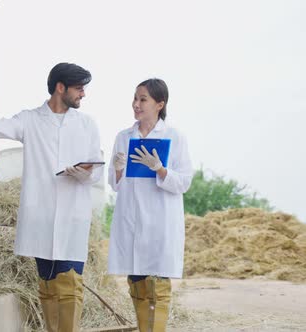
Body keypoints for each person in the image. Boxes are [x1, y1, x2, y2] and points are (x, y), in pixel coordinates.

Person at [0, 62, 102, 332]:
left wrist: (81, 173)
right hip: (41, 214)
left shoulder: (86, 124)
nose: (83, 94)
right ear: (60, 87)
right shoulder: (31, 119)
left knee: (71, 282)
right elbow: (9, 125)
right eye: (79, 88)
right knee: (49, 282)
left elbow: (96, 168)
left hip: (73, 214)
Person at [107, 78, 192, 332]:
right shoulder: (123, 137)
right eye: (135, 98)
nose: (136, 104)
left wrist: (161, 170)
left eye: (143, 99)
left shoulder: (174, 136)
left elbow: (184, 181)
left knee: (157, 287)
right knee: (137, 283)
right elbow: (114, 183)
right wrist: (119, 169)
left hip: (160, 223)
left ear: (160, 104)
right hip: (131, 221)